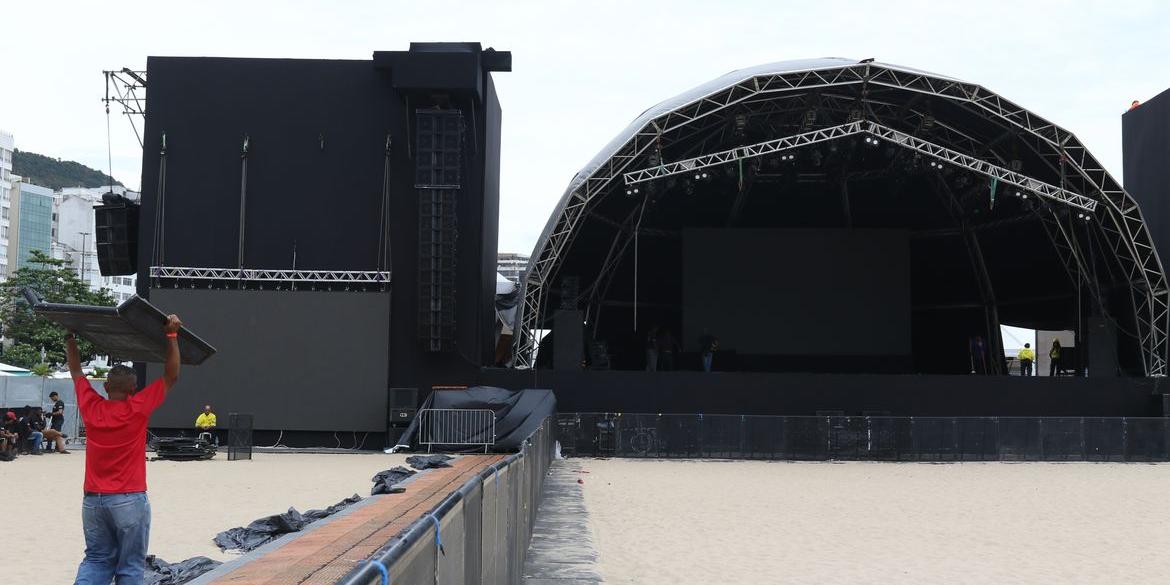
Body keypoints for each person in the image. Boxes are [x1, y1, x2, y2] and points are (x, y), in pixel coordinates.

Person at [70, 314, 182, 585]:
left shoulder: (91, 407)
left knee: (96, 559)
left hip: (93, 500)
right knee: (130, 565)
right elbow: (171, 374)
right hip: (130, 498)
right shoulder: (138, 407)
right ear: (133, 388)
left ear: (106, 387)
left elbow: (76, 372)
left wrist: (69, 337)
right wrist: (171, 335)